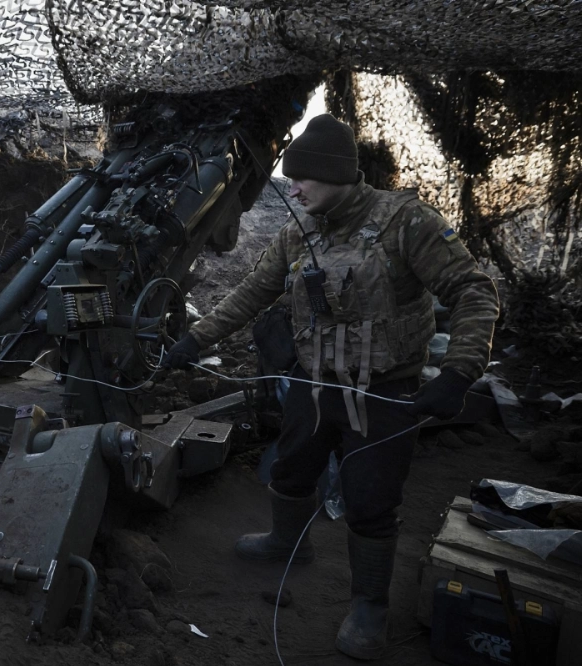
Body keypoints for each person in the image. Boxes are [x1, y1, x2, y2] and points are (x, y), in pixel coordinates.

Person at [163, 114, 499, 660]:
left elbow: (474, 291)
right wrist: (194, 341)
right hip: (312, 384)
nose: (290, 188)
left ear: (333, 173)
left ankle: (369, 607)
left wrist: (460, 372)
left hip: (384, 392)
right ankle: (285, 545)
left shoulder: (405, 222)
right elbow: (252, 293)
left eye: (301, 178)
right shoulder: (299, 232)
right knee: (292, 468)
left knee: (370, 500)